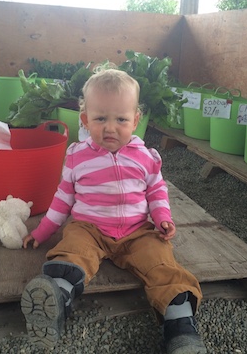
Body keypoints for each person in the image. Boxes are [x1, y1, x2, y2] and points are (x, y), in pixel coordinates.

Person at [22, 68, 207, 354]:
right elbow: (63, 198)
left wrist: (162, 218)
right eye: (100, 118)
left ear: (135, 120)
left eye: (120, 119)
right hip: (90, 229)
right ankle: (55, 300)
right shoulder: (76, 156)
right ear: (85, 120)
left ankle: (181, 328)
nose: (110, 127)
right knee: (72, 251)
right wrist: (43, 231)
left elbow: (156, 191)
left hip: (137, 231)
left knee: (163, 265)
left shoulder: (145, 157)